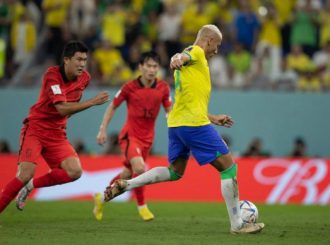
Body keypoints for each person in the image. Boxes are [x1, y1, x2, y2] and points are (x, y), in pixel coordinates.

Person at [103, 25, 265, 234]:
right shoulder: (196, 52)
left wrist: (213, 118)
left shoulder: (195, 61)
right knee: (228, 167)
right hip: (193, 124)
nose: (217, 50)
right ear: (208, 40)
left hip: (177, 124)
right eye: (217, 45)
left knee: (175, 171)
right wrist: (176, 58)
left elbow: (190, 98)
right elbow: (183, 55)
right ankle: (237, 224)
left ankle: (127, 184)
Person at [0, 41, 109, 214]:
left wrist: (63, 122)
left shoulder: (85, 78)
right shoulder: (52, 76)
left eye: (84, 60)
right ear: (66, 60)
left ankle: (30, 186)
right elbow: (61, 107)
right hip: (35, 129)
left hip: (56, 133)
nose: (82, 64)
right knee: (25, 173)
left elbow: (71, 105)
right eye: (78, 59)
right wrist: (93, 102)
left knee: (74, 171)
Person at [94, 51, 172, 221]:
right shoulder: (129, 87)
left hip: (147, 139)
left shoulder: (163, 88)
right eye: (149, 66)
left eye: (155, 67)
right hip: (130, 137)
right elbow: (112, 107)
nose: (152, 70)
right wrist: (102, 129)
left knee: (127, 175)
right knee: (140, 169)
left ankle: (102, 197)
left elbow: (169, 111)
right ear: (141, 67)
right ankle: (142, 206)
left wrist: (174, 125)